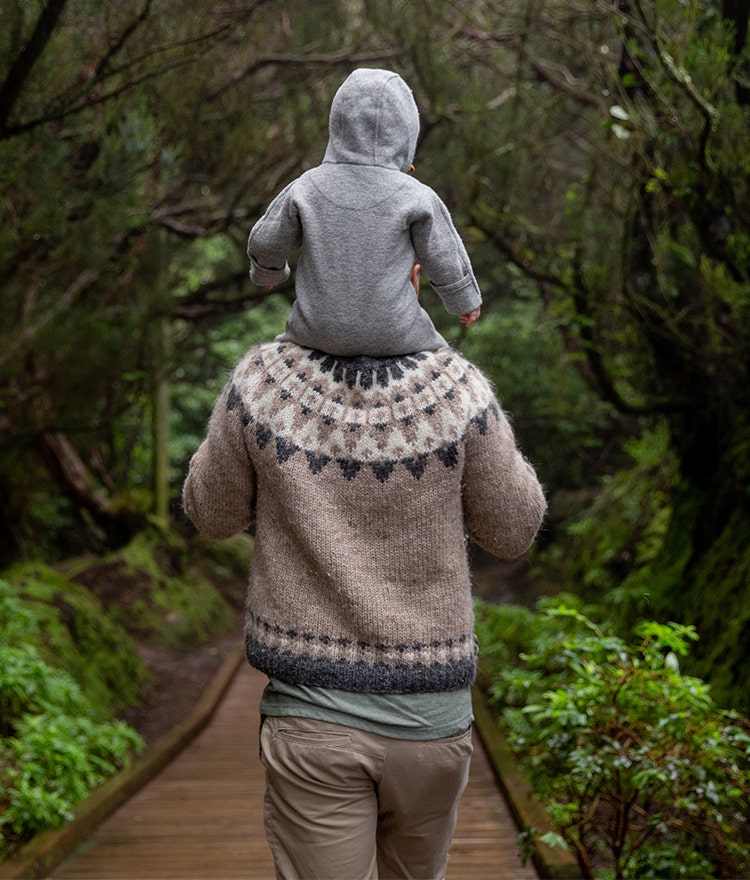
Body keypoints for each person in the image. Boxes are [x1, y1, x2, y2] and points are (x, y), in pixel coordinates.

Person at [182, 338, 546, 879]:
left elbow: (211, 514)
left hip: (312, 719)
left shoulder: (261, 382)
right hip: (432, 722)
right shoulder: (455, 386)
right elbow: (514, 529)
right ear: (417, 271)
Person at [247, 68, 482, 358]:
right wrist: (464, 300)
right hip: (397, 333)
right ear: (407, 131)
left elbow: (267, 239)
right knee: (446, 366)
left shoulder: (307, 185)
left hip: (315, 332)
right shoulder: (416, 195)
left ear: (337, 122)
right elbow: (445, 254)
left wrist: (267, 270)